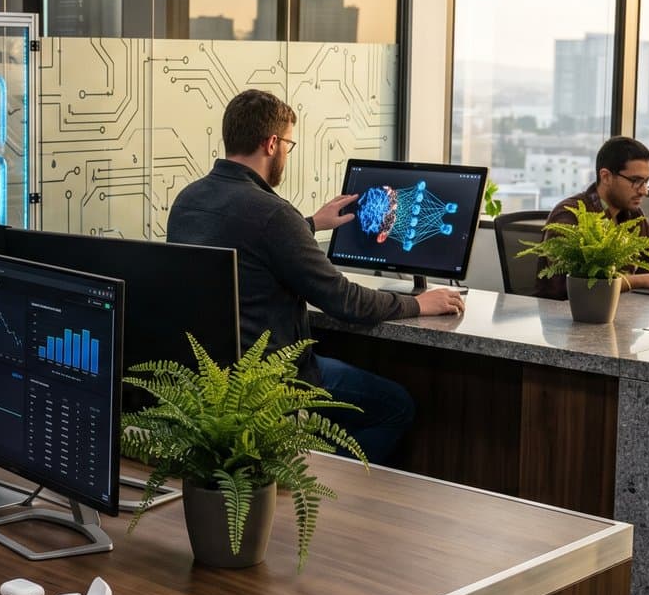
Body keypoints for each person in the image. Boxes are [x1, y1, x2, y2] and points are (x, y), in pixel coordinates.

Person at [166, 89, 461, 465]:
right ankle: (313, 482)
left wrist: (308, 224)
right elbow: (345, 301)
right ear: (271, 143)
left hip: (215, 380)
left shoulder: (189, 200)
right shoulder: (273, 215)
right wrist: (418, 303)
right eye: (288, 143)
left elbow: (246, 245)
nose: (287, 152)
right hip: (275, 381)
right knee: (397, 407)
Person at [534, 136, 649, 300]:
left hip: (618, 313)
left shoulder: (631, 214)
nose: (644, 191)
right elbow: (580, 284)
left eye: (647, 181)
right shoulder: (569, 215)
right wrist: (643, 280)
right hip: (568, 317)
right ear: (606, 177)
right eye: (636, 181)